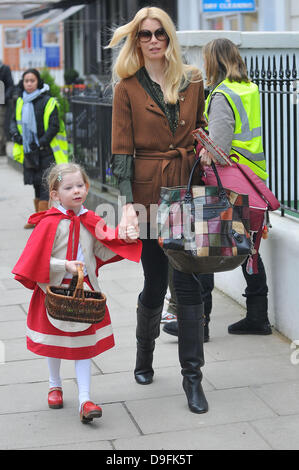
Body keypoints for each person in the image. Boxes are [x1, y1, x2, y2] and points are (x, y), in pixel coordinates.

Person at [108, 6, 209, 414]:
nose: (153, 41)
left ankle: (193, 379)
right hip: (148, 195)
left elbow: (202, 129)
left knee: (187, 285)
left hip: (186, 189)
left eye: (160, 34)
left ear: (170, 38)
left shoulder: (193, 79)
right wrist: (127, 207)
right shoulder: (126, 88)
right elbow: (121, 152)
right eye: (145, 35)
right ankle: (144, 355)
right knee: (154, 282)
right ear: (136, 40)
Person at [12, 162, 142, 423]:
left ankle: (85, 399)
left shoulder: (90, 219)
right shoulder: (48, 224)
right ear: (54, 194)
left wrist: (124, 239)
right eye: (69, 187)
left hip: (84, 292)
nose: (76, 191)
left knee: (83, 347)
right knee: (54, 344)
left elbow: (101, 251)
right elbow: (35, 261)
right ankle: (54, 384)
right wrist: (65, 265)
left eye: (80, 185)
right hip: (54, 292)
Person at [163, 38, 272, 340]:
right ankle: (257, 316)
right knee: (247, 246)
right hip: (252, 177)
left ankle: (202, 323)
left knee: (209, 243)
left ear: (214, 61)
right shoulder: (248, 88)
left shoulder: (222, 94)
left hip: (226, 179)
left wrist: (201, 149)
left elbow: (220, 148)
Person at [10, 68, 68, 229]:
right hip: (29, 150)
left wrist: (41, 142)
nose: (28, 84)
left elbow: (54, 126)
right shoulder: (20, 100)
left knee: (46, 184)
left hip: (46, 150)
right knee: (36, 182)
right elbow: (14, 120)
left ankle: (43, 221)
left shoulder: (48, 101)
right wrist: (15, 134)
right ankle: (39, 217)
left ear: (38, 82)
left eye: (32, 80)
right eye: (26, 81)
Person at [0, 60, 14, 155]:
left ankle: (1, 147)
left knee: (1, 126)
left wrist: (4, 97)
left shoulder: (5, 69)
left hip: (2, 103)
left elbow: (10, 85)